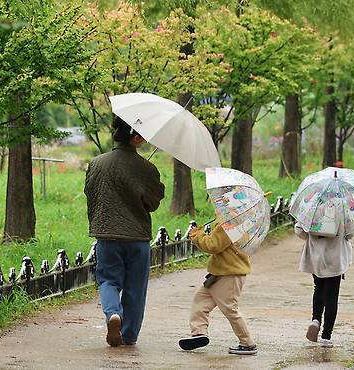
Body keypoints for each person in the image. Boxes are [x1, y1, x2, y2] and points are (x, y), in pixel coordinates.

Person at [84, 115, 165, 347]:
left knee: (108, 280)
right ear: (137, 138)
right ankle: (129, 335)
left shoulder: (97, 163)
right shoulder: (147, 168)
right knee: (135, 289)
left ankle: (113, 314)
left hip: (107, 234)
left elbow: (90, 194)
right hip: (137, 237)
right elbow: (153, 203)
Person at [178, 223, 257, 355]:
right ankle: (199, 333)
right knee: (201, 301)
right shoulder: (238, 222)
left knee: (230, 309)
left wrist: (197, 235)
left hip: (229, 275)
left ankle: (247, 343)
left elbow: (213, 245)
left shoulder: (229, 225)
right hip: (219, 274)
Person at [294, 223, 353, 348]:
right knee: (332, 295)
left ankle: (316, 320)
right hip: (336, 257)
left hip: (315, 257)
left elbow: (299, 230)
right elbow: (350, 233)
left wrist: (312, 236)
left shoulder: (311, 207)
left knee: (318, 288)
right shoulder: (342, 208)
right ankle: (326, 336)